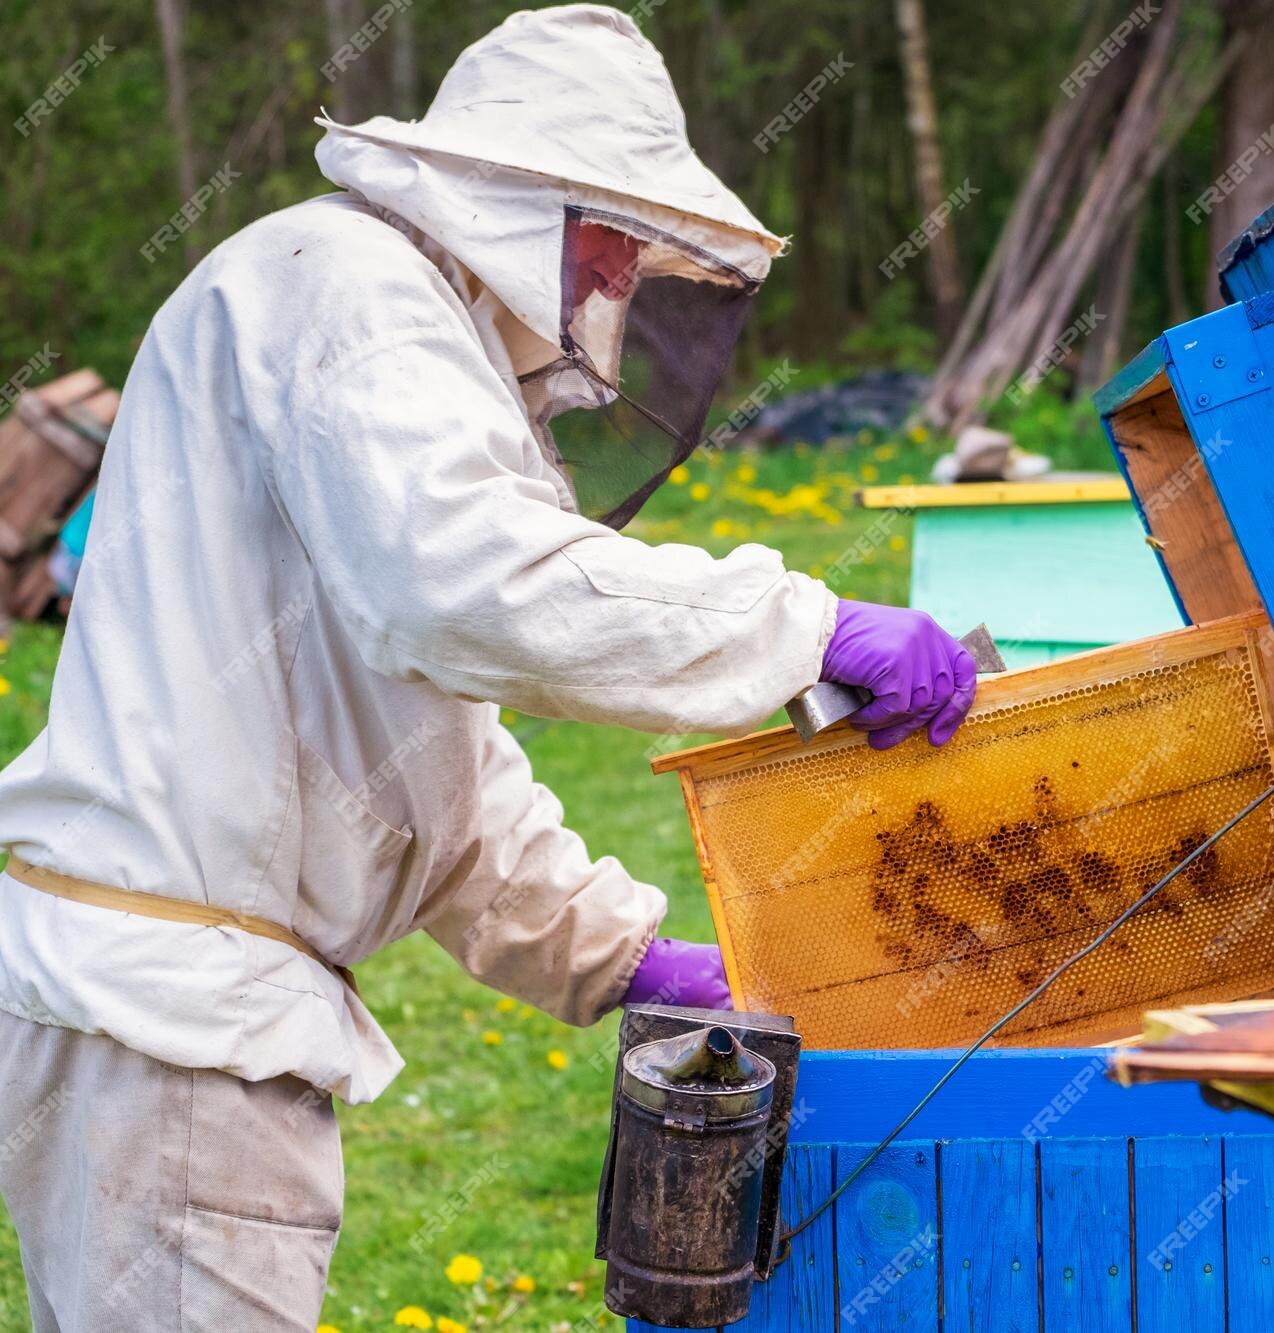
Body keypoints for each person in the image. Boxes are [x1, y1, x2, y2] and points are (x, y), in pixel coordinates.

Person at [0, 7, 974, 1326]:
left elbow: (425, 757)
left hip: (182, 1022)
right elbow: (477, 591)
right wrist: (801, 625)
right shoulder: (355, 297)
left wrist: (630, 957)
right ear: (524, 197)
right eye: (614, 227)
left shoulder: (377, 320)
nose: (625, 274)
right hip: (176, 1029)